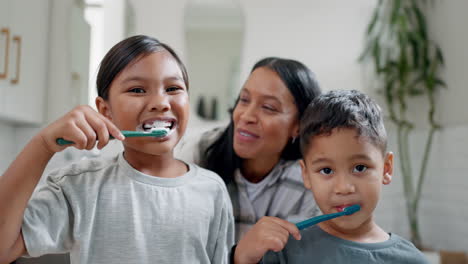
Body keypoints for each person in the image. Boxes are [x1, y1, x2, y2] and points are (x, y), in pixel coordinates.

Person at [0, 35, 234, 264]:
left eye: (173, 88)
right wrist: (42, 145)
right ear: (105, 110)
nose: (161, 102)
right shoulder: (79, 187)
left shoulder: (211, 189)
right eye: (138, 90)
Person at [254, 90, 428, 263]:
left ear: (386, 168)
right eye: (327, 170)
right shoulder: (281, 251)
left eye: (360, 168)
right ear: (305, 174)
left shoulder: (412, 260)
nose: (344, 188)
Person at [177, 57, 322, 243]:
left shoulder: (309, 181)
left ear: (299, 125)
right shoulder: (199, 153)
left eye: (268, 107)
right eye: (244, 100)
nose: (246, 116)